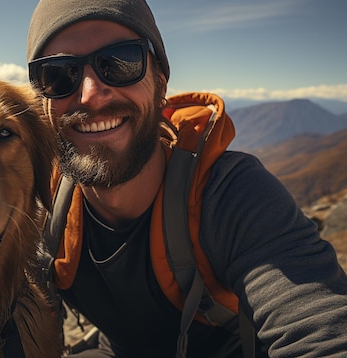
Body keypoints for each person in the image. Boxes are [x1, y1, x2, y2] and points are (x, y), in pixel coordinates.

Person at [26, 0, 347, 357]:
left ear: (160, 81)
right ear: (42, 101)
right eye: (57, 75)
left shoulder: (229, 194)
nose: (90, 94)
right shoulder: (40, 197)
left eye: (120, 62)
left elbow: (321, 330)